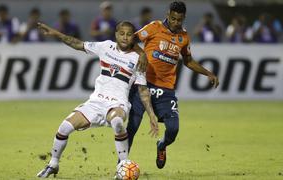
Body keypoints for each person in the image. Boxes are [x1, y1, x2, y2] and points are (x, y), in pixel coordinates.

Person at [36, 21, 159, 178]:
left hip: (118, 104)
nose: (125, 37)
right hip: (95, 103)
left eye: (129, 34)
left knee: (118, 123)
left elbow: (142, 90)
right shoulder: (105, 46)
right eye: (122, 33)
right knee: (64, 127)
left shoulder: (138, 59)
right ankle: (53, 164)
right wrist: (56, 33)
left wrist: (151, 114)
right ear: (116, 34)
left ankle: (123, 165)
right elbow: (77, 43)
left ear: (133, 38)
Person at [127, 1, 219, 169]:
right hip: (143, 85)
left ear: (184, 18)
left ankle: (162, 146)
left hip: (166, 90)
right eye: (174, 18)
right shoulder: (154, 27)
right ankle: (122, 164)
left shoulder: (184, 37)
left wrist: (208, 73)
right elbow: (132, 40)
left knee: (173, 130)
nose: (176, 22)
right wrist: (142, 54)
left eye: (180, 20)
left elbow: (188, 61)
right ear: (168, 14)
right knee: (132, 126)